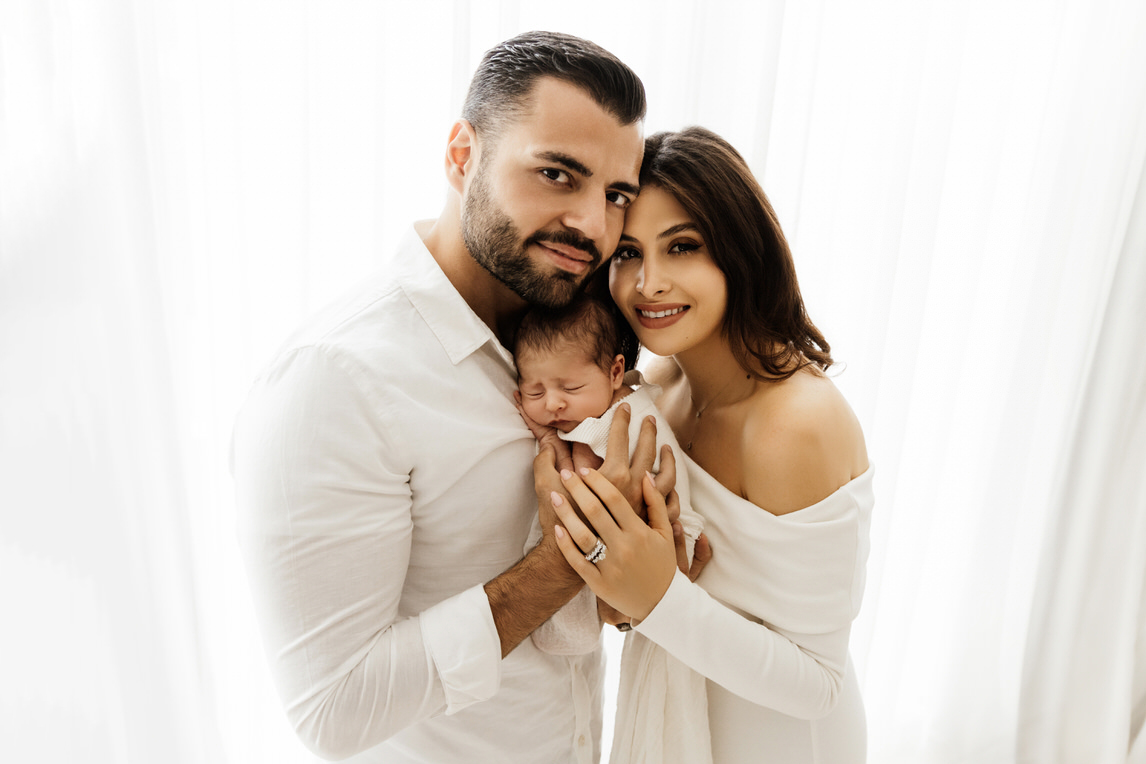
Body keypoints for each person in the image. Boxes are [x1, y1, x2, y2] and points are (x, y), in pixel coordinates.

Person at [230, 32, 699, 763]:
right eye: (556, 173)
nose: (592, 224)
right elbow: (332, 711)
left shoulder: (585, 339)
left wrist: (642, 569)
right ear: (461, 155)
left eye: (615, 196)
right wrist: (570, 554)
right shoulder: (335, 381)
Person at [548, 126, 874, 764]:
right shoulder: (656, 390)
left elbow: (819, 686)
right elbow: (655, 582)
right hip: (678, 723)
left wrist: (656, 597)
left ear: (739, 250)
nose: (649, 283)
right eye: (628, 254)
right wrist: (625, 597)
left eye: (683, 246)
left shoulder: (794, 426)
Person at [512, 295, 705, 653]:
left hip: (673, 540)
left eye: (570, 388)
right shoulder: (599, 403)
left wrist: (547, 437)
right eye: (534, 391)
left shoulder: (621, 415)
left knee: (570, 609)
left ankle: (573, 633)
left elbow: (577, 472)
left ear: (615, 373)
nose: (553, 403)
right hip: (649, 543)